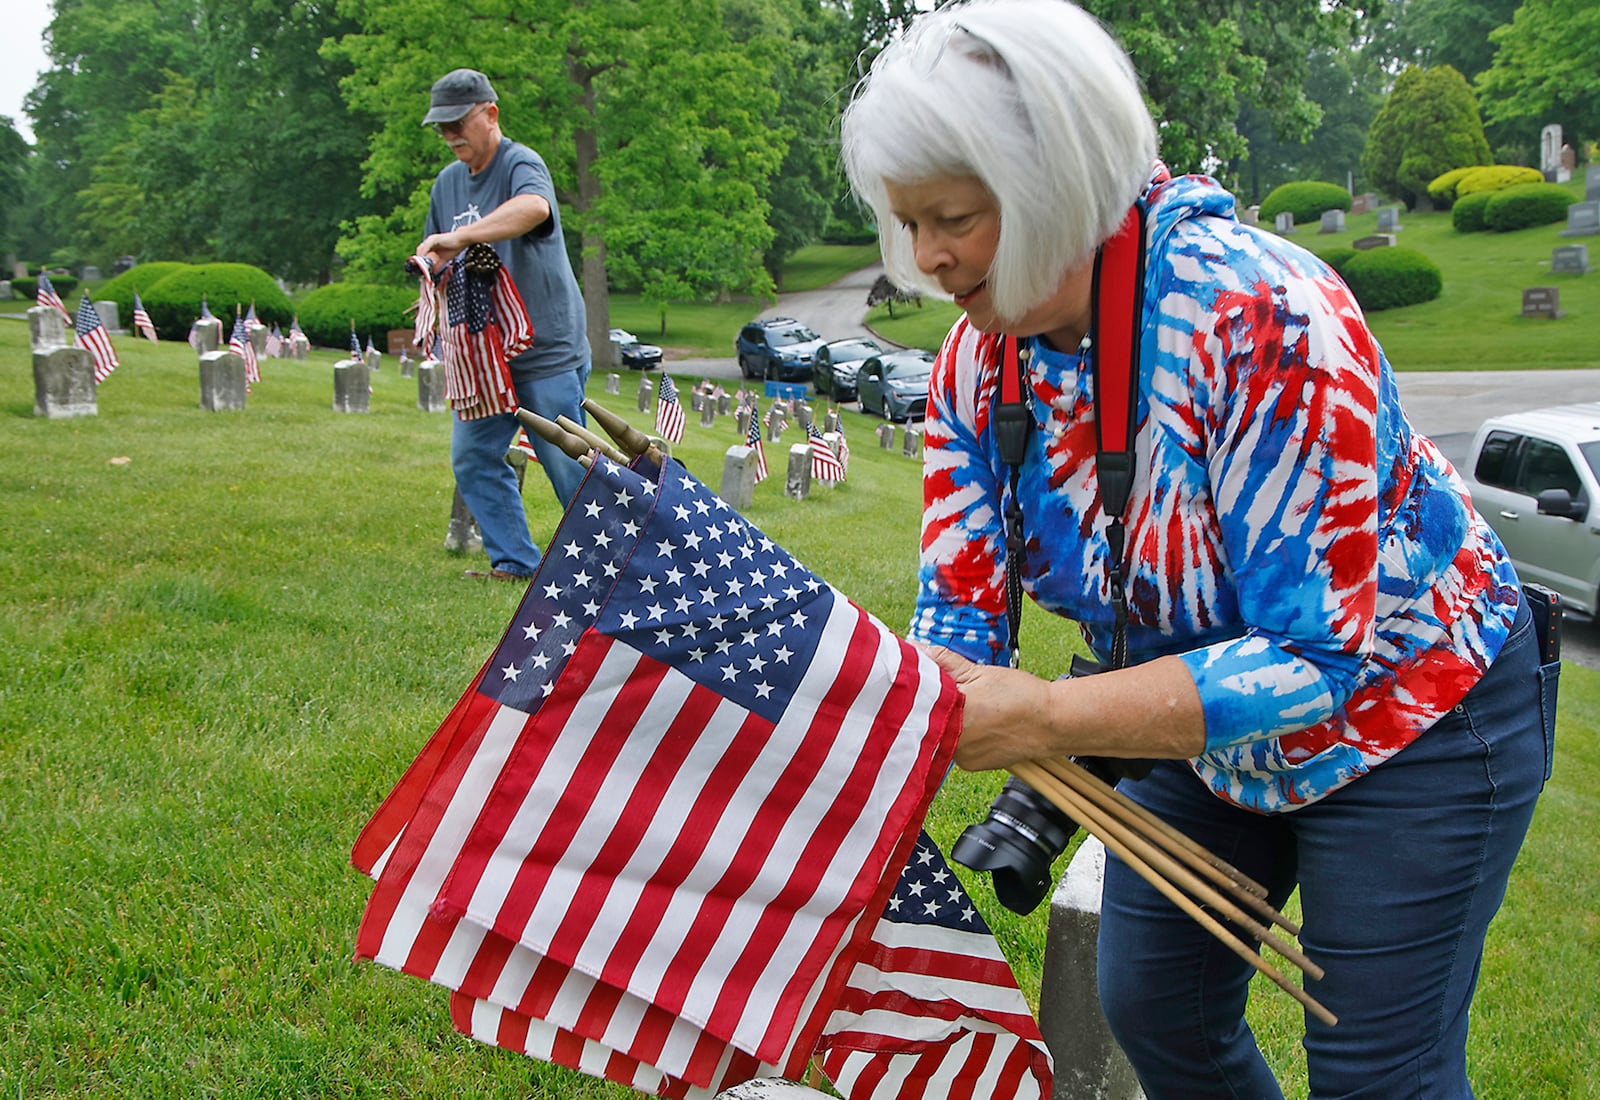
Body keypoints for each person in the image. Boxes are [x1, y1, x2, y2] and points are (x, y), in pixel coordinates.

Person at [840, 1, 1552, 1096]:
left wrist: (1042, 715)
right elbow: (960, 617)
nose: (929, 258)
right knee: (1156, 1004)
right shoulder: (977, 372)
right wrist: (899, 701)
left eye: (956, 217)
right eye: (910, 221)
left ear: (1054, 183)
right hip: (1198, 722)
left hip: (1412, 715)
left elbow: (1317, 654)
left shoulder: (1260, 314)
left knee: (1375, 1072)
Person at [417, 68, 592, 581]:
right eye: (440, 127)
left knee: (570, 469)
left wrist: (463, 237)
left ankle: (611, 572)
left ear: (490, 114)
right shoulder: (446, 184)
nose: (450, 135)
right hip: (481, 358)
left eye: (458, 122)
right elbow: (438, 253)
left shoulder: (521, 163)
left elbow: (534, 208)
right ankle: (516, 563)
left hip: (544, 349)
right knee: (472, 456)